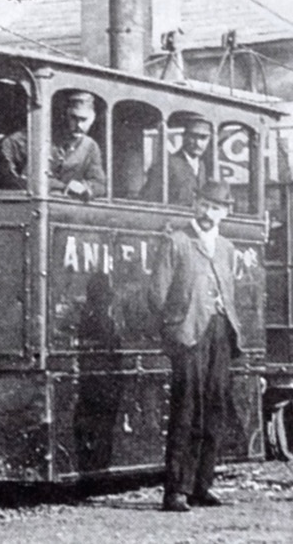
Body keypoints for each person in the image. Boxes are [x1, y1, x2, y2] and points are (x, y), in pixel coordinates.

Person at [148, 180, 242, 512]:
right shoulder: (176, 242)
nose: (208, 212)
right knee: (187, 410)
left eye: (216, 207)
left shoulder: (227, 248)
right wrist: (175, 328)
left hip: (220, 332)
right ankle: (176, 490)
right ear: (195, 205)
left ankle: (202, 485)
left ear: (225, 213)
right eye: (204, 205)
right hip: (188, 334)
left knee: (215, 407)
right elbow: (157, 294)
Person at [1, 91, 106, 198]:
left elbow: (99, 184)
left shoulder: (90, 146)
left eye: (84, 119)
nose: (79, 125)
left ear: (92, 120)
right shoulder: (37, 138)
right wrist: (64, 187)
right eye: (74, 118)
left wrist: (85, 188)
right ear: (65, 116)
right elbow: (21, 176)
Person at [140, 112, 211, 205]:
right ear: (184, 136)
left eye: (203, 138)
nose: (198, 143)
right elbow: (148, 200)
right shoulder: (167, 164)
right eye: (193, 137)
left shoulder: (202, 167)